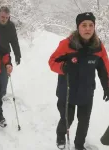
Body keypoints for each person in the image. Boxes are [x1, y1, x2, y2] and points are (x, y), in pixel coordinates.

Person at [48, 12, 109, 150]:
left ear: (94, 27)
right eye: (84, 25)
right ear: (78, 27)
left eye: (91, 25)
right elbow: (52, 62)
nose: (87, 28)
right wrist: (63, 67)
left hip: (86, 92)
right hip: (67, 90)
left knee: (84, 122)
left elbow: (105, 69)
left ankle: (79, 145)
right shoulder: (66, 45)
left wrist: (107, 86)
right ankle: (60, 136)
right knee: (67, 119)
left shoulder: (98, 47)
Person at [0, 6, 21, 101]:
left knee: (4, 75)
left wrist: (18, 54)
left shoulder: (11, 26)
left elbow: (14, 41)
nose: (4, 19)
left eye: (6, 17)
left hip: (4, 53)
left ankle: (1, 94)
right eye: (2, 17)